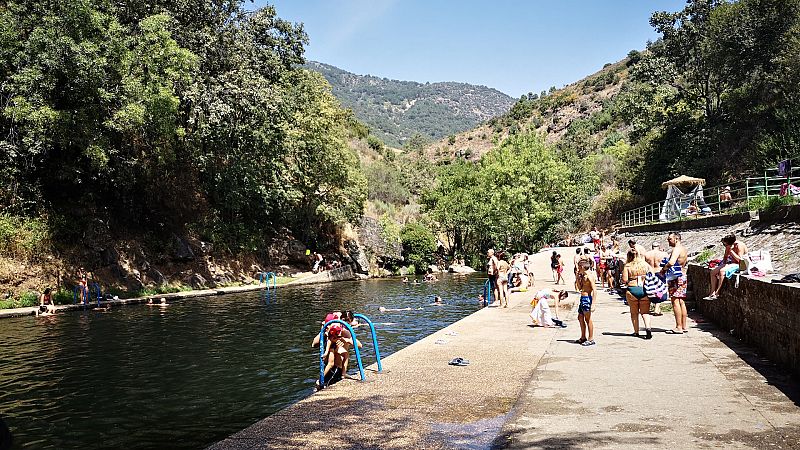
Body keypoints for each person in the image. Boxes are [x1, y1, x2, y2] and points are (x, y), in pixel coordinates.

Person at [705, 234, 748, 300]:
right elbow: (725, 257)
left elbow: (740, 260)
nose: (725, 246)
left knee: (722, 271)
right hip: (732, 263)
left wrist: (732, 252)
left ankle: (717, 293)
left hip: (741, 264)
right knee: (713, 272)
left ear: (730, 244)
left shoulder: (739, 246)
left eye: (725, 245)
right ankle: (712, 292)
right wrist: (722, 265)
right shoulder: (728, 246)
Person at [622, 249, 653, 339]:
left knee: (634, 313)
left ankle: (636, 332)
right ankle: (648, 328)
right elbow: (652, 274)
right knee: (645, 312)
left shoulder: (627, 266)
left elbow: (624, 280)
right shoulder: (645, 265)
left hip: (632, 290)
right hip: (644, 290)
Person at [662, 232, 689, 334]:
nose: (668, 241)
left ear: (676, 239)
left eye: (670, 239)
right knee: (681, 301)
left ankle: (678, 327)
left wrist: (663, 270)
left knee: (675, 301)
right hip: (683, 275)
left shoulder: (676, 249)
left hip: (675, 278)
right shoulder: (683, 249)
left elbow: (671, 262)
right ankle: (684, 326)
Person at [575, 260, 596, 346]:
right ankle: (583, 337)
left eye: (579, 267)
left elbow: (595, 290)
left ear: (582, 267)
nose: (578, 268)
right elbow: (580, 288)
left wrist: (593, 304)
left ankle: (591, 338)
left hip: (587, 299)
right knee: (580, 317)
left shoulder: (589, 276)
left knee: (588, 319)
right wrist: (577, 278)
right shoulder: (583, 275)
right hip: (582, 298)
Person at [644, 242, 668, 316]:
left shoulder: (647, 254)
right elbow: (667, 264)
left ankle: (655, 308)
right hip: (659, 272)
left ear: (652, 246)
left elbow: (644, 264)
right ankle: (656, 309)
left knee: (651, 290)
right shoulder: (664, 254)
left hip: (650, 273)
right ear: (659, 246)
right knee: (659, 290)